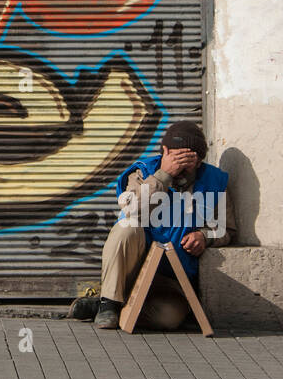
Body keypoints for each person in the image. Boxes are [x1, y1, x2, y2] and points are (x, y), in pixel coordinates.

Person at [72, 120, 236, 330]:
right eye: (176, 157)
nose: (181, 167)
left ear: (200, 160)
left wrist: (205, 236)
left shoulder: (215, 181)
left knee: (168, 318)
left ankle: (108, 308)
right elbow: (130, 210)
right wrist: (163, 175)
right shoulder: (142, 173)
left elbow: (226, 229)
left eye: (188, 160)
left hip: (172, 276)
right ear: (165, 151)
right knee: (126, 226)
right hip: (134, 266)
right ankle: (109, 303)